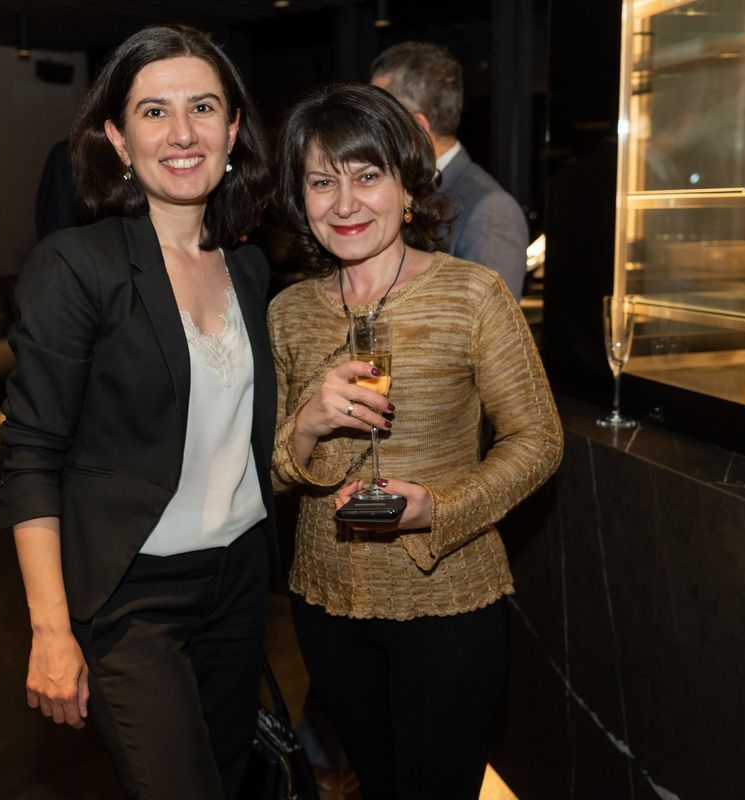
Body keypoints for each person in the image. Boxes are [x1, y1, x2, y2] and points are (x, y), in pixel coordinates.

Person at [0, 25, 276, 800]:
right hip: (132, 596)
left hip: (240, 581)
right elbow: (31, 459)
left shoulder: (250, 267)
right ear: (117, 139)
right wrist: (51, 630)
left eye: (203, 107)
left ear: (233, 130)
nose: (182, 133)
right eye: (154, 112)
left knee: (230, 778)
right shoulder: (75, 266)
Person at [269, 83, 562, 799]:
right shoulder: (288, 312)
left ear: (407, 185)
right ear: (301, 199)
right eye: (321, 182)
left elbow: (538, 439)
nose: (344, 204)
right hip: (325, 602)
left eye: (367, 176)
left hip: (447, 598)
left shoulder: (472, 295)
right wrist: (305, 424)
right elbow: (271, 473)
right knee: (375, 784)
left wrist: (438, 507)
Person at [370, 42, 530, 301]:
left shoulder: (490, 209)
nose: (370, 132)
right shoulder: (396, 191)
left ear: (417, 127)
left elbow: (493, 321)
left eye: (380, 121)